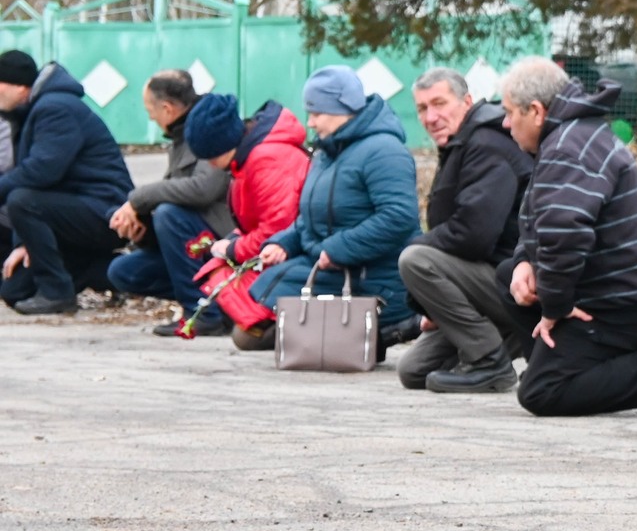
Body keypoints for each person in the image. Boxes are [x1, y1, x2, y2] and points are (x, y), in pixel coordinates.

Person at [497, 56, 637, 417]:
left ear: (537, 111)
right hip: (618, 286)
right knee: (507, 278)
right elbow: (539, 218)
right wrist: (524, 260)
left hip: (626, 301)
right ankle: (556, 363)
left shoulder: (567, 149)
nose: (505, 122)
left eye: (510, 112)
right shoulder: (570, 135)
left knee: (541, 393)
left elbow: (565, 235)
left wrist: (556, 308)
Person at [246, 66, 420, 348]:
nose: (310, 123)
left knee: (256, 333)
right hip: (330, 266)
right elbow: (312, 217)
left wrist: (338, 249)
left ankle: (390, 330)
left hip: (371, 277)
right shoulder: (328, 152)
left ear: (344, 109)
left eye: (317, 113)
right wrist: (285, 243)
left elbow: (398, 217)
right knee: (250, 325)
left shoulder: (384, 151)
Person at [396, 67, 532, 394]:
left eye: (439, 103)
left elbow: (473, 234)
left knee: (415, 259)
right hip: (489, 280)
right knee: (413, 371)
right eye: (422, 108)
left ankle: (489, 361)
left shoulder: (487, 143)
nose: (430, 117)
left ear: (467, 101)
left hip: (516, 282)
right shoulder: (462, 142)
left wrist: (421, 253)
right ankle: (501, 338)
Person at [0, 50, 134, 314]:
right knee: (14, 291)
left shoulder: (56, 108)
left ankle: (57, 294)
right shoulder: (33, 110)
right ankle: (112, 270)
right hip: (73, 209)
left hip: (105, 210)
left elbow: (41, 172)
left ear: (18, 86)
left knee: (21, 201)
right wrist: (23, 243)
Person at [106, 70, 237, 335]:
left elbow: (203, 189)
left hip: (226, 241)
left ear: (167, 108)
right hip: (199, 243)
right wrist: (144, 230)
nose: (150, 118)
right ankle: (222, 303)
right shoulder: (179, 136)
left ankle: (202, 314)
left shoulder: (207, 127)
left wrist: (138, 200)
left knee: (168, 213)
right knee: (123, 272)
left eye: (150, 110)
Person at [181, 94, 312, 331]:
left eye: (211, 156)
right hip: (287, 251)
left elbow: (277, 231)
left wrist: (232, 248)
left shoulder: (266, 159)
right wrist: (233, 240)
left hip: (295, 255)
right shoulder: (250, 156)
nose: (209, 164)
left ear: (223, 145)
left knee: (247, 334)